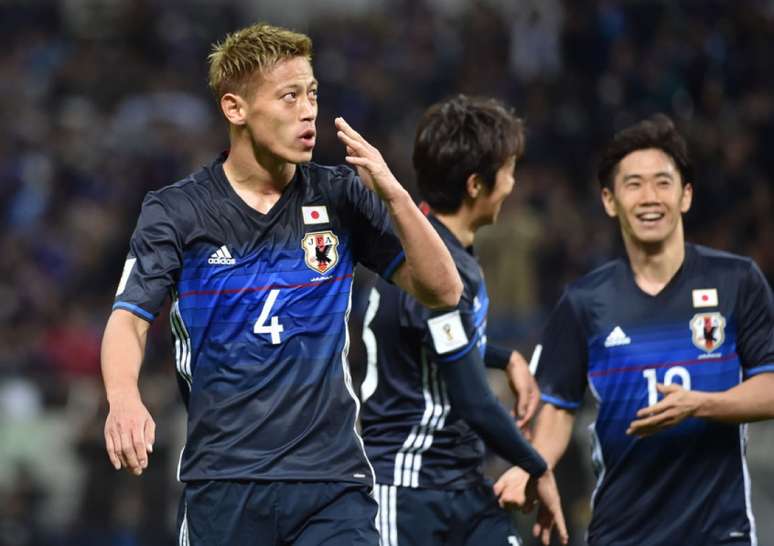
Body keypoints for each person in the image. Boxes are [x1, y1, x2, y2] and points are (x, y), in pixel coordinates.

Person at [100, 22, 463, 546]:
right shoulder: (177, 211)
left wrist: (395, 195)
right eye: (289, 96)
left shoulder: (342, 196)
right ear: (235, 109)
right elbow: (129, 319)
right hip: (224, 481)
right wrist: (123, 397)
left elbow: (442, 290)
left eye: (312, 94)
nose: (308, 110)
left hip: (332, 484)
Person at [518, 114, 774, 545]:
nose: (649, 197)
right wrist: (533, 465)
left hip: (720, 532)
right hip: (622, 533)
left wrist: (699, 405)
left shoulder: (737, 281)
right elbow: (559, 405)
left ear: (686, 195)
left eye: (663, 182)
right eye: (633, 184)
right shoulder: (585, 301)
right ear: (609, 200)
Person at [358, 95, 568, 546]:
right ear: (476, 184)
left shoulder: (438, 246)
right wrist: (537, 466)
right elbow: (473, 399)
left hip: (462, 484)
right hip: (410, 488)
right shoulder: (432, 266)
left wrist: (503, 356)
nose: (513, 184)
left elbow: (439, 336)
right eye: (509, 170)